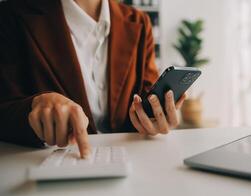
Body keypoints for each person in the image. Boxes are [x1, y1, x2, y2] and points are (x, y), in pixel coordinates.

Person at [0, 0, 186, 158]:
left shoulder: (140, 22)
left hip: (129, 162)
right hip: (51, 163)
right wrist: (34, 107)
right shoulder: (11, 15)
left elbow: (145, 96)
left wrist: (153, 117)